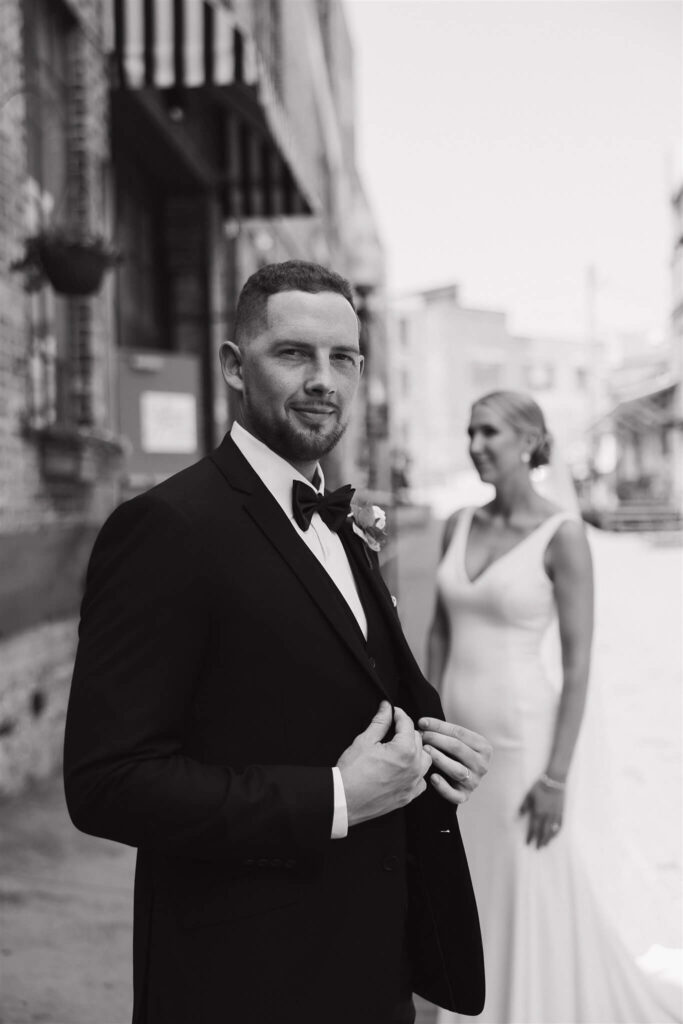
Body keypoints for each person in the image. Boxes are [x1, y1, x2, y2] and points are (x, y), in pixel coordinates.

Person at [63, 260, 492, 1024]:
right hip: (245, 977)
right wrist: (332, 797)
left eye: (343, 358)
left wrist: (429, 754)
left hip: (370, 963)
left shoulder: (342, 519)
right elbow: (107, 783)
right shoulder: (166, 529)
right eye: (293, 353)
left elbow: (338, 689)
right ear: (234, 366)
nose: (323, 379)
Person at [429, 389, 680, 1024]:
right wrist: (428, 727)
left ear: (529, 442)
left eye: (488, 433)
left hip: (522, 747)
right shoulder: (456, 524)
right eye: (470, 433)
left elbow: (578, 665)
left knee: (525, 883)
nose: (476, 446)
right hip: (455, 742)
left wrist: (556, 776)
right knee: (465, 878)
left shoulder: (562, 537)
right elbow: (438, 633)